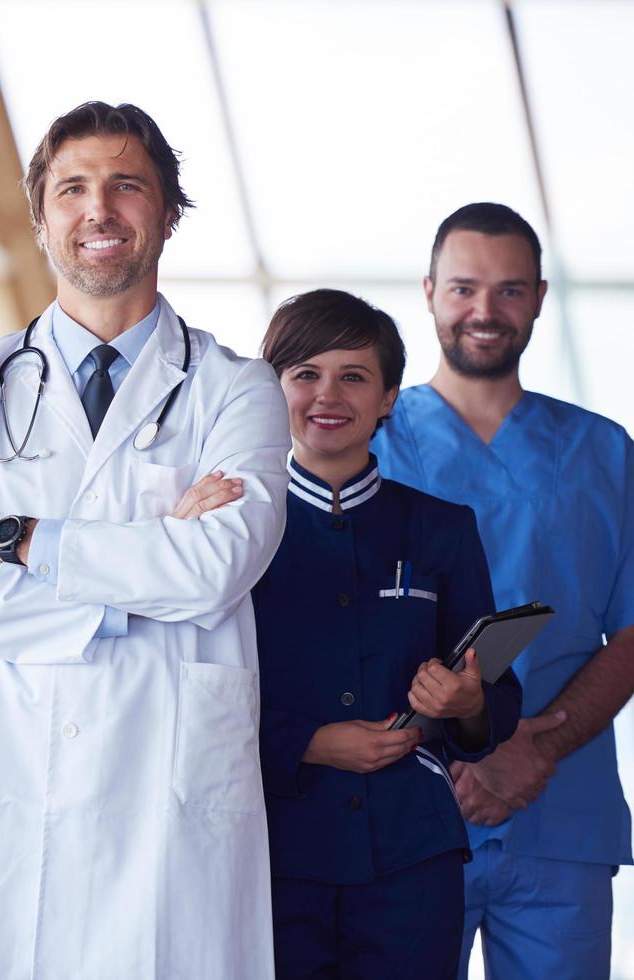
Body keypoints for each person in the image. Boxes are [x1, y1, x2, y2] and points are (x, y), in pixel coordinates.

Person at [0, 101, 291, 978]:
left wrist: (22, 537)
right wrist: (142, 574)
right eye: (71, 189)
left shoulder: (235, 390)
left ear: (168, 213)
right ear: (40, 222)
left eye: (125, 186)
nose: (96, 210)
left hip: (167, 793)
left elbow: (216, 564)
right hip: (8, 782)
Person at [372, 202, 634, 979]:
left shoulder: (602, 452)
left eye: (509, 290)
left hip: (560, 817)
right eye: (463, 289)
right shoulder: (368, 447)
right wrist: (469, 755)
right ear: (427, 293)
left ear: (540, 298)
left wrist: (533, 749)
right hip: (410, 814)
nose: (484, 310)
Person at [255, 288, 522, 978]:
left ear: (387, 399)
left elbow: (495, 694)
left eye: (353, 376)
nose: (326, 395)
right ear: (268, 389)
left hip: (411, 856)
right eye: (304, 375)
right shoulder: (233, 533)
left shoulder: (440, 527)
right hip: (272, 849)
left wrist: (466, 704)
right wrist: (308, 742)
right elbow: (187, 689)